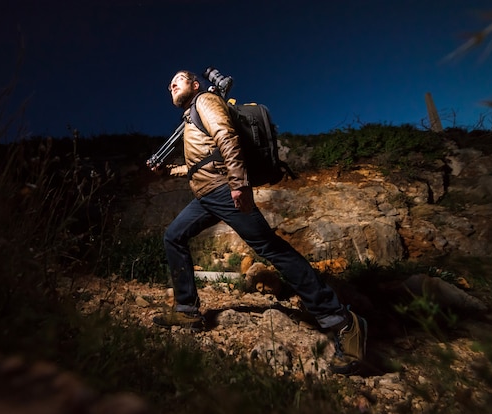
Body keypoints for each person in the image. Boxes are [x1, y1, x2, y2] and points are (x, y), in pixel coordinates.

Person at [151, 70, 367, 375]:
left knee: (272, 250)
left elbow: (227, 137)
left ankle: (342, 321)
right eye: (169, 82)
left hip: (224, 190)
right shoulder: (191, 118)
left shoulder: (206, 100)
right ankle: (188, 311)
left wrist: (239, 184)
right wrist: (169, 171)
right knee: (173, 236)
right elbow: (198, 163)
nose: (171, 84)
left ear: (195, 84)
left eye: (179, 79)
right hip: (205, 196)